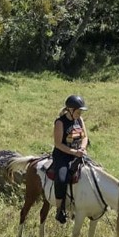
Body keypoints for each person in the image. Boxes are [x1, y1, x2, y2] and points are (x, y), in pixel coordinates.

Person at [50, 94, 89, 224]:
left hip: (78, 153)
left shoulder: (80, 120)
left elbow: (85, 137)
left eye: (81, 111)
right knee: (61, 179)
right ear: (70, 110)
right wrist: (74, 152)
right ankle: (60, 209)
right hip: (62, 155)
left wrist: (82, 149)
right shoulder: (60, 122)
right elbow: (58, 144)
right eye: (78, 111)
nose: (80, 113)